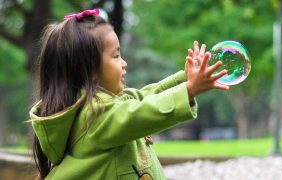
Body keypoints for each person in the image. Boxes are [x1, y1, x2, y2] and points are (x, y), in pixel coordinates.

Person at [30, 9, 229, 180]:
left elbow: (143, 98)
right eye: (116, 56)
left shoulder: (104, 107)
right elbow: (141, 112)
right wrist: (189, 90)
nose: (124, 63)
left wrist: (185, 78)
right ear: (89, 70)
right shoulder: (95, 117)